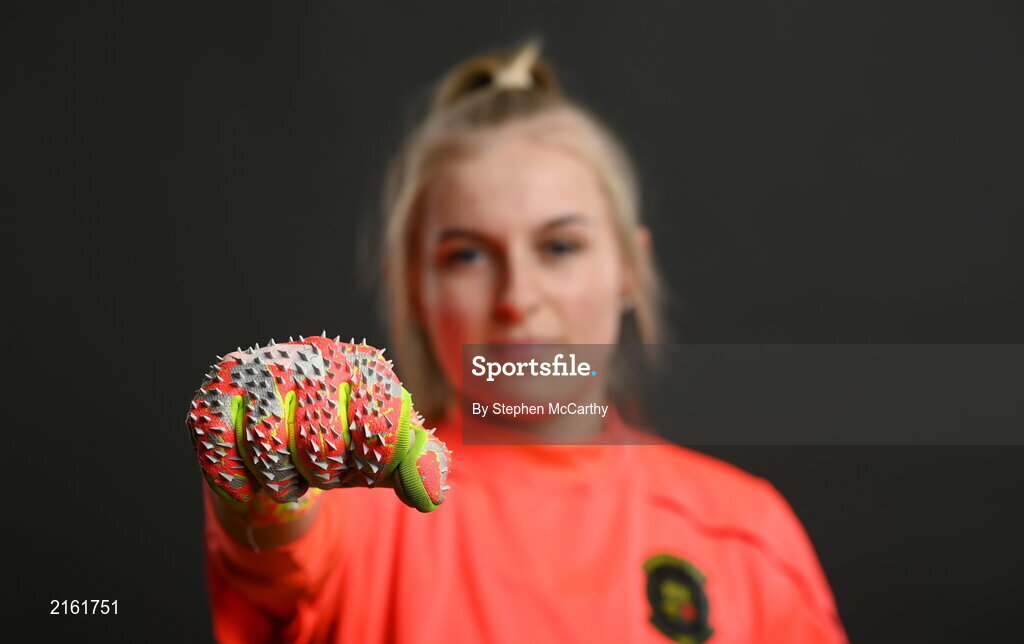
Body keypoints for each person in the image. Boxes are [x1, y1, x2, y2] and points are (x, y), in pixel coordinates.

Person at [194, 39, 847, 643]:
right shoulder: (351, 515)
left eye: (560, 246)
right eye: (468, 256)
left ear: (628, 268)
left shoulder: (749, 532)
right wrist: (265, 470)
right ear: (416, 291)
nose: (517, 298)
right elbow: (273, 551)